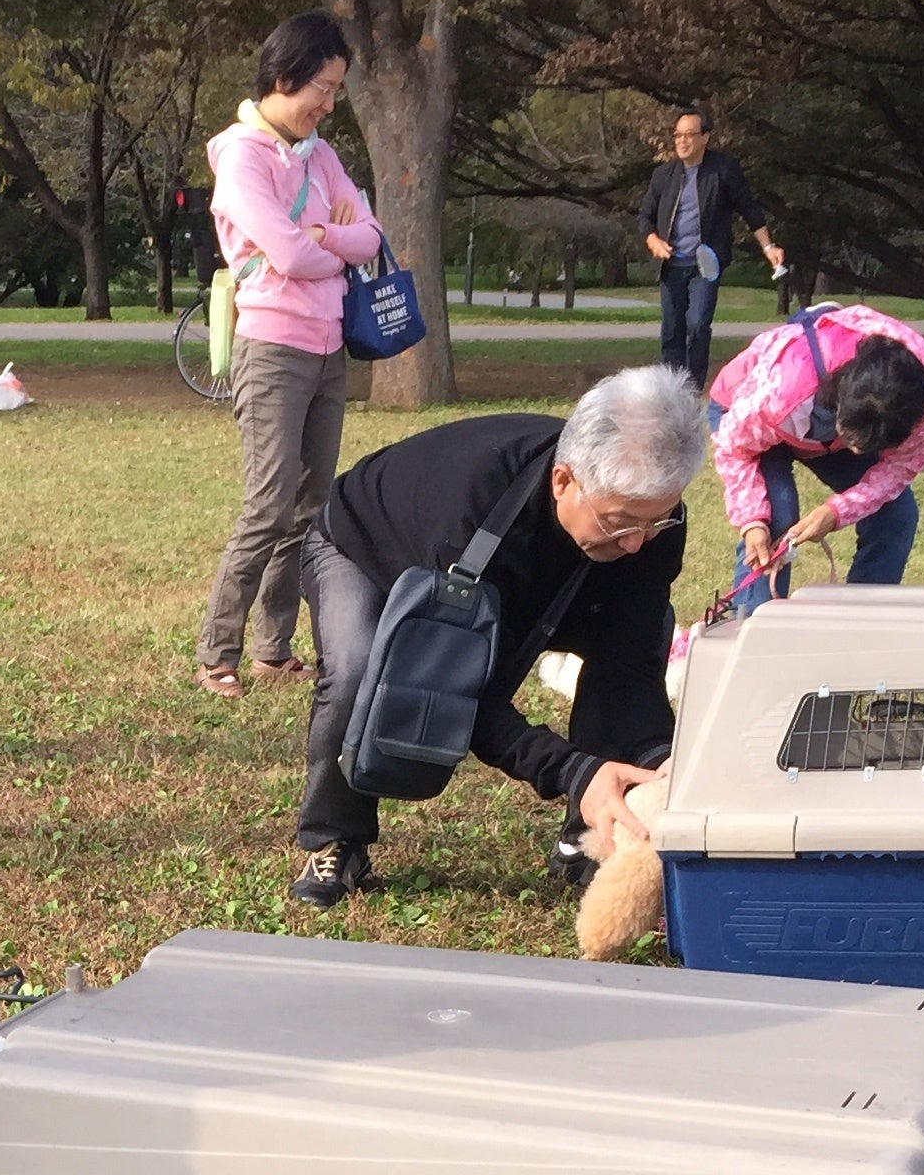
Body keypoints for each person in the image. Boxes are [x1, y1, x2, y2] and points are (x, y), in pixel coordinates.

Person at [284, 365, 704, 909]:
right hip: (364, 551)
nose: (636, 546)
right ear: (564, 480)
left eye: (658, 521)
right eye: (622, 522)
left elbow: (629, 663)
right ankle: (336, 838)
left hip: (532, 569)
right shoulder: (474, 508)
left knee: (641, 635)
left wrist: (654, 760)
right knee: (359, 668)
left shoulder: (646, 527)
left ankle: (587, 833)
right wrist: (573, 770)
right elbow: (449, 692)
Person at [192, 12, 386, 698]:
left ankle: (275, 649)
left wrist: (328, 239)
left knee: (310, 509)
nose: (329, 105)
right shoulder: (243, 157)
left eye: (336, 90)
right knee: (267, 505)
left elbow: (371, 234)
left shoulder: (319, 154)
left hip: (331, 348)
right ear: (283, 79)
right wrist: (324, 238)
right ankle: (218, 651)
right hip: (272, 349)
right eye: (322, 89)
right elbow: (290, 251)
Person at [707, 303, 924, 605]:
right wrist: (752, 521)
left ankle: (860, 621)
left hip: (823, 420)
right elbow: (735, 450)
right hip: (751, 413)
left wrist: (835, 512)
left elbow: (897, 470)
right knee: (776, 517)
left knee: (896, 513)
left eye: (872, 444)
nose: (858, 452)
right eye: (853, 438)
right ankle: (749, 626)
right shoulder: (780, 391)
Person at [640, 110, 782, 386]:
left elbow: (749, 209)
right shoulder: (663, 175)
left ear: (705, 137)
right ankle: (671, 389)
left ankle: (692, 387)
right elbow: (645, 216)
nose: (682, 141)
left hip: (706, 265)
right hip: (671, 265)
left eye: (689, 135)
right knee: (671, 330)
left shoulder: (723, 170)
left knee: (698, 325)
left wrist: (769, 248)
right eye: (677, 135)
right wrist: (653, 241)